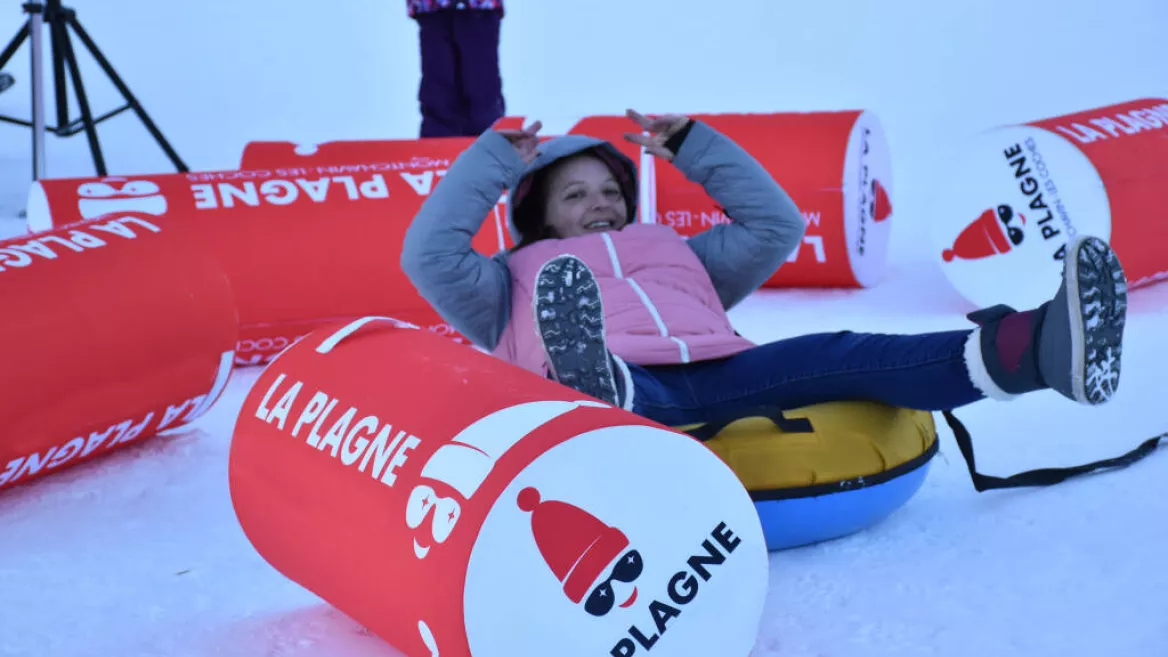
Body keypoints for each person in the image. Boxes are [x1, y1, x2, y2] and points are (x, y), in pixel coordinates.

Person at [400, 110, 1128, 432]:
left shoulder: (674, 250)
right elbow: (425, 255)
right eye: (576, 194)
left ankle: (1041, 347)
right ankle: (599, 385)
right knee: (615, 376)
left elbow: (776, 225)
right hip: (615, 394)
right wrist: (495, 158)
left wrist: (691, 144)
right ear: (538, 213)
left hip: (725, 377)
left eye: (611, 190)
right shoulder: (504, 281)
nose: (601, 204)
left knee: (845, 350)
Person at [407, 0, 506, 138]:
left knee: (480, 87)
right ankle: (437, 149)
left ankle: (488, 142)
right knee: (438, 87)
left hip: (477, 7)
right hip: (433, 8)